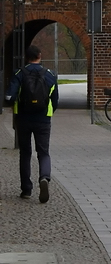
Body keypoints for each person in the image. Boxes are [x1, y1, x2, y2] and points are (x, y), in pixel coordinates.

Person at [6, 43, 59, 203]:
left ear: (26, 58)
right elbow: (55, 100)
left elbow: (10, 97)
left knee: (25, 153)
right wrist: (48, 112)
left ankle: (26, 190)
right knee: (43, 152)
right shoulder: (50, 75)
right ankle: (44, 177)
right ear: (40, 56)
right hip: (43, 119)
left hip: (23, 119)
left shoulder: (19, 74)